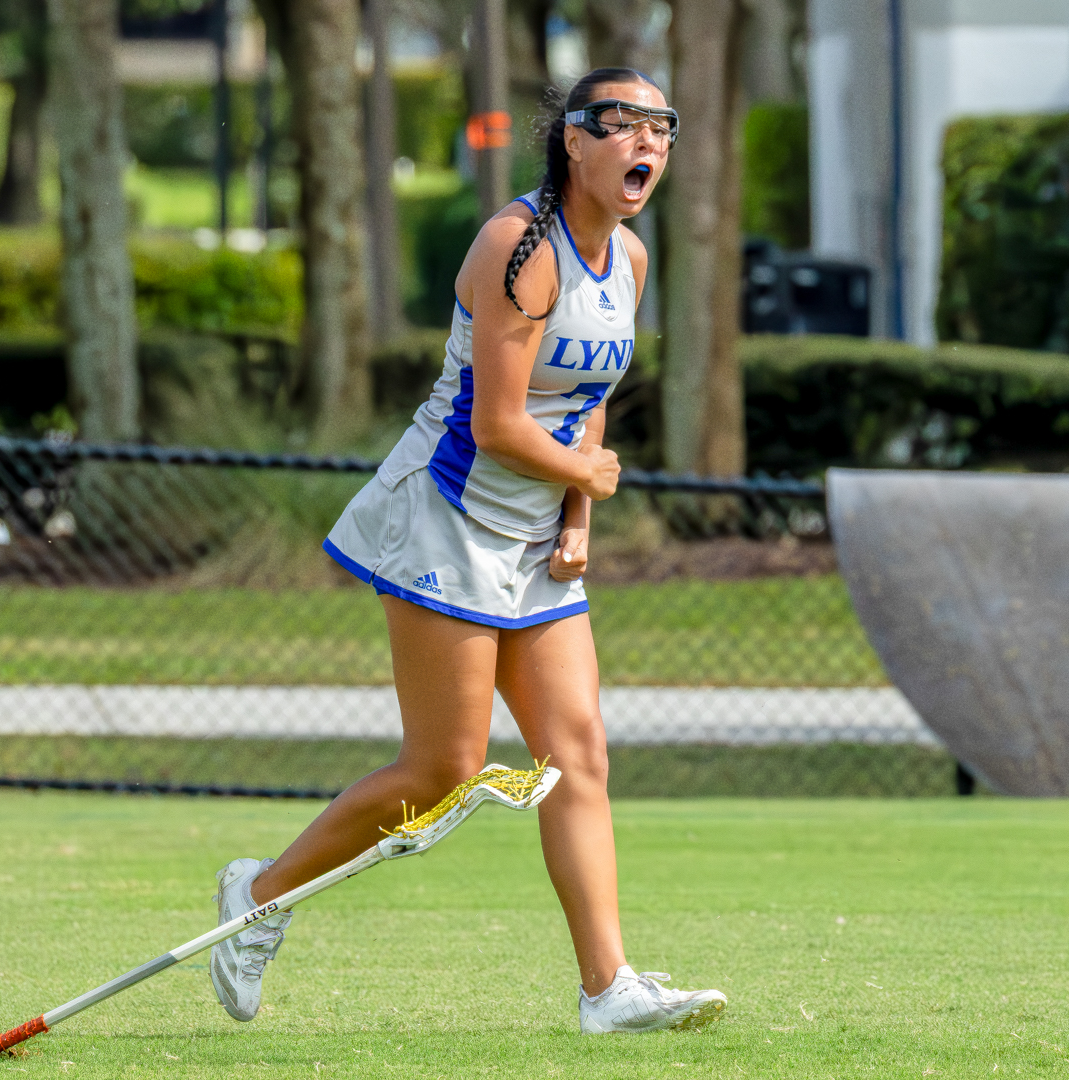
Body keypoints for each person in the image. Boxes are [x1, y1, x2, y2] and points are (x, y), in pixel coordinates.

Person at [204, 67, 727, 1036]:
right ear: (574, 140)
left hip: (534, 534)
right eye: (622, 123)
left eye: (662, 125)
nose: (645, 141)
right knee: (444, 767)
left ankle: (607, 988)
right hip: (441, 517)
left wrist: (578, 511)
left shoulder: (633, 260)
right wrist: (596, 476)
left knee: (577, 758)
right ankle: (261, 893)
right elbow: (494, 424)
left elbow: (587, 395)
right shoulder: (518, 245)